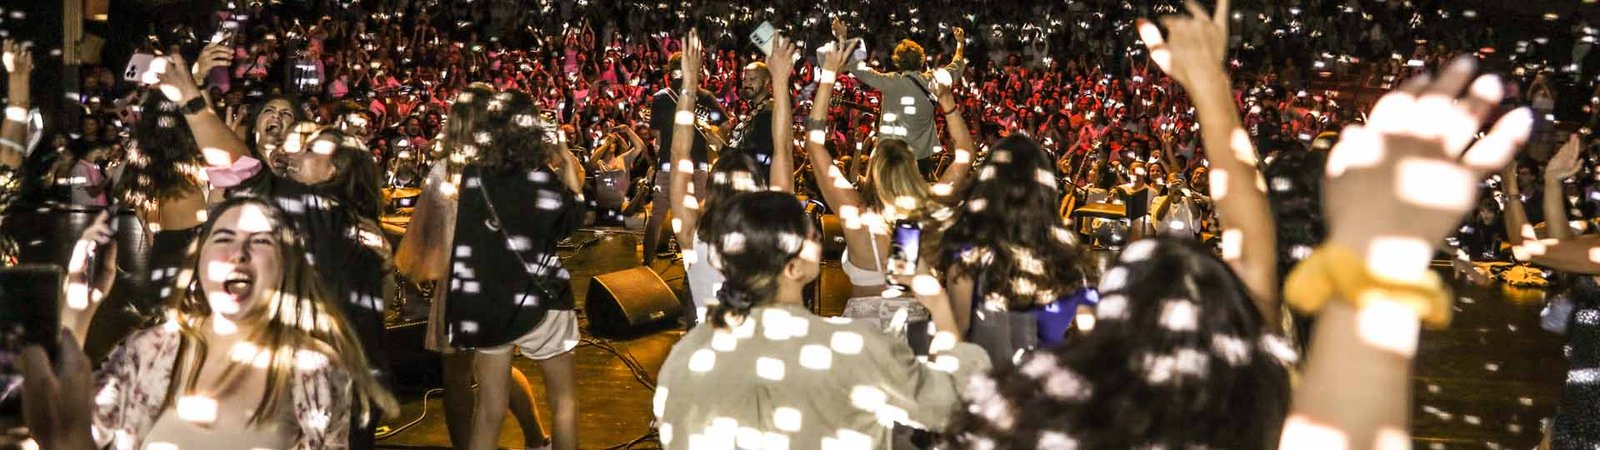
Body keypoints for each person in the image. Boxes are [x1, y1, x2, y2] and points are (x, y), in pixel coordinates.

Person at [21, 197, 398, 450]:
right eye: (224, 237)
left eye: (261, 241)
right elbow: (66, 431)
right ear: (199, 261)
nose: (238, 252)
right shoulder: (152, 348)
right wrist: (78, 311)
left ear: (287, 265)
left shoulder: (314, 368)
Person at [654, 191, 991, 449]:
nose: (818, 236)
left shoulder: (687, 356)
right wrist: (939, 303)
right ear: (793, 267)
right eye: (811, 236)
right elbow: (953, 404)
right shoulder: (853, 349)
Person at [445, 90, 584, 450]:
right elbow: (568, 223)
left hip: (488, 305)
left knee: (489, 410)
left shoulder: (474, 174)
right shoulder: (538, 178)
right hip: (540, 303)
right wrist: (567, 163)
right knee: (564, 403)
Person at [934, 135, 1094, 369]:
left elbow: (956, 333)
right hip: (1048, 389)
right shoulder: (1070, 254)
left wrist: (933, 300)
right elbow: (1088, 338)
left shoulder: (970, 252)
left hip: (991, 387)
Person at [668, 32, 795, 322]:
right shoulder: (772, 232)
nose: (746, 83)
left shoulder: (691, 233)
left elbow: (678, 157)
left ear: (714, 185)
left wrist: (689, 84)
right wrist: (781, 79)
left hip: (709, 355)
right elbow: (783, 151)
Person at [836, 20, 966, 176]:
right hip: (922, 159)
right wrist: (960, 44)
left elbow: (857, 68)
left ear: (898, 61)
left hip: (892, 159)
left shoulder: (890, 81)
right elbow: (957, 65)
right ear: (922, 60)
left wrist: (842, 37)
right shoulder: (932, 80)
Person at [644, 51, 729, 267]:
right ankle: (696, 267)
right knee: (698, 216)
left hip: (668, 163)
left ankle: (647, 266)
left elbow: (657, 136)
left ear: (670, 73)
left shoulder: (661, 97)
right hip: (698, 163)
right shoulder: (705, 96)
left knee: (657, 216)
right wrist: (709, 129)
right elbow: (725, 125)